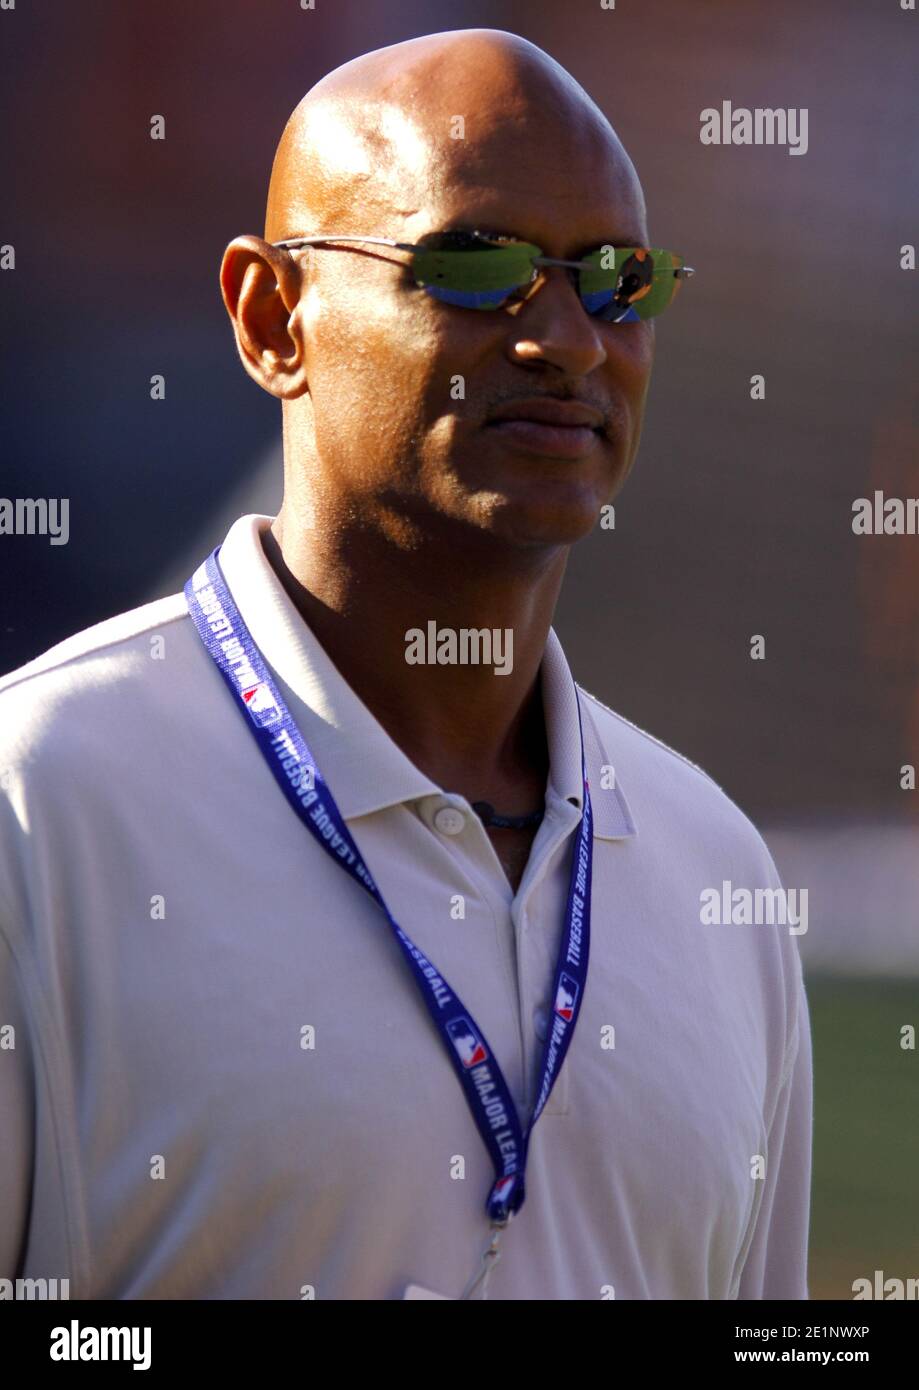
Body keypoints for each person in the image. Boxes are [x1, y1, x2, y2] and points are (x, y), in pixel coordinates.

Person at [0, 29, 811, 1300]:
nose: (571, 340)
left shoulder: (717, 871)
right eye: (478, 265)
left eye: (615, 279)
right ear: (275, 317)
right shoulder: (39, 802)